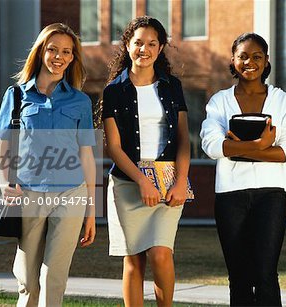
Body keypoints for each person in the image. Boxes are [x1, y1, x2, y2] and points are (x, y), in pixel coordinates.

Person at [0, 23, 96, 306]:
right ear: (41, 52)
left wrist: (91, 210)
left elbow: (87, 156)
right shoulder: (15, 97)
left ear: (73, 57)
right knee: (27, 280)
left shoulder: (80, 101)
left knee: (54, 276)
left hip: (71, 194)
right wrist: (5, 184)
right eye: (53, 49)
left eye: (66, 51)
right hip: (28, 194)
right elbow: (2, 147)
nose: (59, 56)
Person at [200, 32, 286, 306]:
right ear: (233, 61)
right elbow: (211, 146)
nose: (250, 62)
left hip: (271, 195)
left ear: (266, 61)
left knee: (266, 274)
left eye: (257, 56)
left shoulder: (282, 101)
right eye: (243, 56)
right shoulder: (219, 102)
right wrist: (262, 144)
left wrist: (237, 148)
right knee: (239, 276)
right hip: (230, 196)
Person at [102, 16, 190, 306]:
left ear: (161, 47)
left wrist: (180, 183)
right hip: (127, 183)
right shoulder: (114, 90)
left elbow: (183, 140)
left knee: (161, 253)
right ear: (127, 45)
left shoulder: (171, 87)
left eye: (152, 43)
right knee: (134, 260)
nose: (145, 49)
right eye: (138, 42)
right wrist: (142, 180)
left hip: (167, 181)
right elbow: (114, 147)